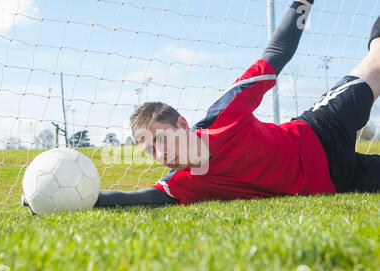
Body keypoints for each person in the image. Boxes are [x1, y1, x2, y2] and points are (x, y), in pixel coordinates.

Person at [23, 0, 380, 211]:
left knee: (377, 63)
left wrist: (301, 3)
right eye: (149, 150)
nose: (158, 154)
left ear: (182, 125)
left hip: (320, 130)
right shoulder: (182, 185)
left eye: (160, 140)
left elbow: (275, 57)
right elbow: (135, 198)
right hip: (336, 181)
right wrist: (65, 197)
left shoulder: (225, 114)